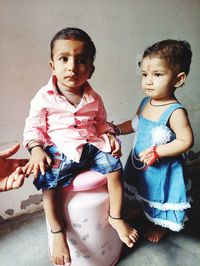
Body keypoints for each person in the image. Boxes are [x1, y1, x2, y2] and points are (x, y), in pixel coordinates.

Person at [23, 27, 138, 266]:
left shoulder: (94, 98)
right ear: (52, 65)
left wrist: (110, 139)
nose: (72, 66)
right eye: (64, 59)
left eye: (81, 60)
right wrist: (35, 149)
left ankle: (116, 216)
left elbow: (101, 123)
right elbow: (34, 127)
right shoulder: (43, 98)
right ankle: (57, 233)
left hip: (91, 146)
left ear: (91, 69)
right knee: (49, 184)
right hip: (59, 149)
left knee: (115, 168)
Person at [112, 39, 194, 243]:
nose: (148, 81)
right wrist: (115, 129)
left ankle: (160, 224)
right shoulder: (145, 102)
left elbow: (186, 140)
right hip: (142, 163)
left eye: (157, 75)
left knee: (161, 196)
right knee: (144, 190)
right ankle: (145, 212)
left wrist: (159, 151)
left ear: (178, 79)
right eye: (145, 74)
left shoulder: (175, 111)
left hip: (162, 168)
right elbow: (135, 123)